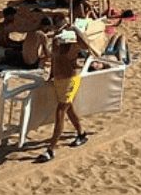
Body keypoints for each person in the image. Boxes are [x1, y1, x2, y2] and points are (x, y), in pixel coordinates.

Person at [35, 25, 99, 162]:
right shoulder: (58, 44)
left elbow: (86, 44)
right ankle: (81, 134)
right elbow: (51, 58)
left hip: (70, 81)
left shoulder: (73, 46)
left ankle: (50, 149)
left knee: (60, 112)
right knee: (69, 109)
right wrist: (51, 75)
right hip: (60, 81)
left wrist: (75, 29)